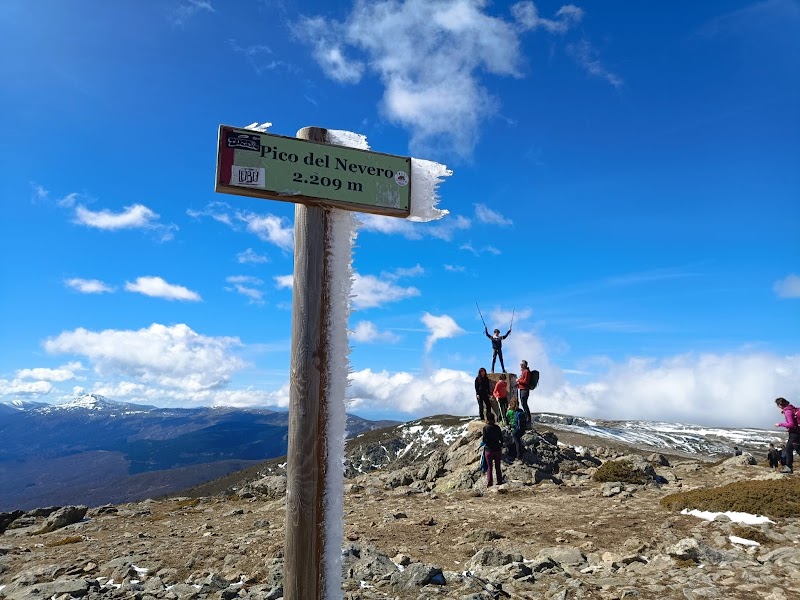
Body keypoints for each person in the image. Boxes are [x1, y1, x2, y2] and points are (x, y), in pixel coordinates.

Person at [774, 397, 799, 474]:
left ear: (780, 405)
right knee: (788, 449)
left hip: (795, 434)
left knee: (796, 450)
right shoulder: (791, 408)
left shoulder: (788, 411)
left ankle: (789, 468)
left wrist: (780, 424)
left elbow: (791, 424)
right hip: (796, 433)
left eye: (777, 405)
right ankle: (789, 467)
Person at [482, 412, 503, 487]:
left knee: (489, 467)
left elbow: (484, 439)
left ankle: (490, 483)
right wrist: (501, 445)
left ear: (487, 419)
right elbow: (501, 438)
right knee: (498, 467)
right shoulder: (497, 427)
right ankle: (500, 482)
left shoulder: (485, 428)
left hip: (489, 450)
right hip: (497, 449)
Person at [506, 396, 526, 463]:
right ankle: (518, 454)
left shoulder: (511, 412)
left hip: (515, 429)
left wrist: (508, 409)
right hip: (521, 430)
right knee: (517, 441)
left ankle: (518, 456)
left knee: (516, 442)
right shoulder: (521, 411)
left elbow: (506, 419)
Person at [516, 360, 535, 424]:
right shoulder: (524, 371)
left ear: (524, 365)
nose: (520, 365)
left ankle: (528, 418)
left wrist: (518, 380)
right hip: (522, 389)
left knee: (524, 403)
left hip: (524, 389)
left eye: (521, 364)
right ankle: (527, 417)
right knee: (523, 403)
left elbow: (526, 382)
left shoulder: (526, 372)